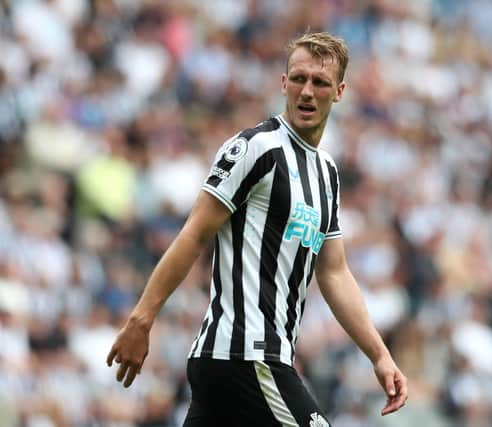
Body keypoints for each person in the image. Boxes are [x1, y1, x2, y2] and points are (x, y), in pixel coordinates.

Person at [107, 31, 408, 426]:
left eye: (319, 82)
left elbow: (334, 271)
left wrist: (380, 355)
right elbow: (194, 234)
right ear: (284, 83)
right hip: (245, 356)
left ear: (339, 92)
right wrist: (141, 320)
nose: (306, 91)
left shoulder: (327, 173)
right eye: (298, 78)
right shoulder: (255, 149)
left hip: (247, 362)